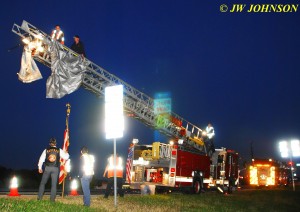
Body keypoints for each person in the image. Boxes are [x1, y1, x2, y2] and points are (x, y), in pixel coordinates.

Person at [37, 137, 69, 202]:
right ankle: (52, 200)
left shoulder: (46, 150)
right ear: (55, 143)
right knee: (54, 185)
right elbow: (66, 157)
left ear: (50, 143)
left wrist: (39, 167)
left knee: (43, 183)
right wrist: (66, 153)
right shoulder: (59, 150)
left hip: (47, 168)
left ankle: (39, 198)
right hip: (55, 168)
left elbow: (41, 159)